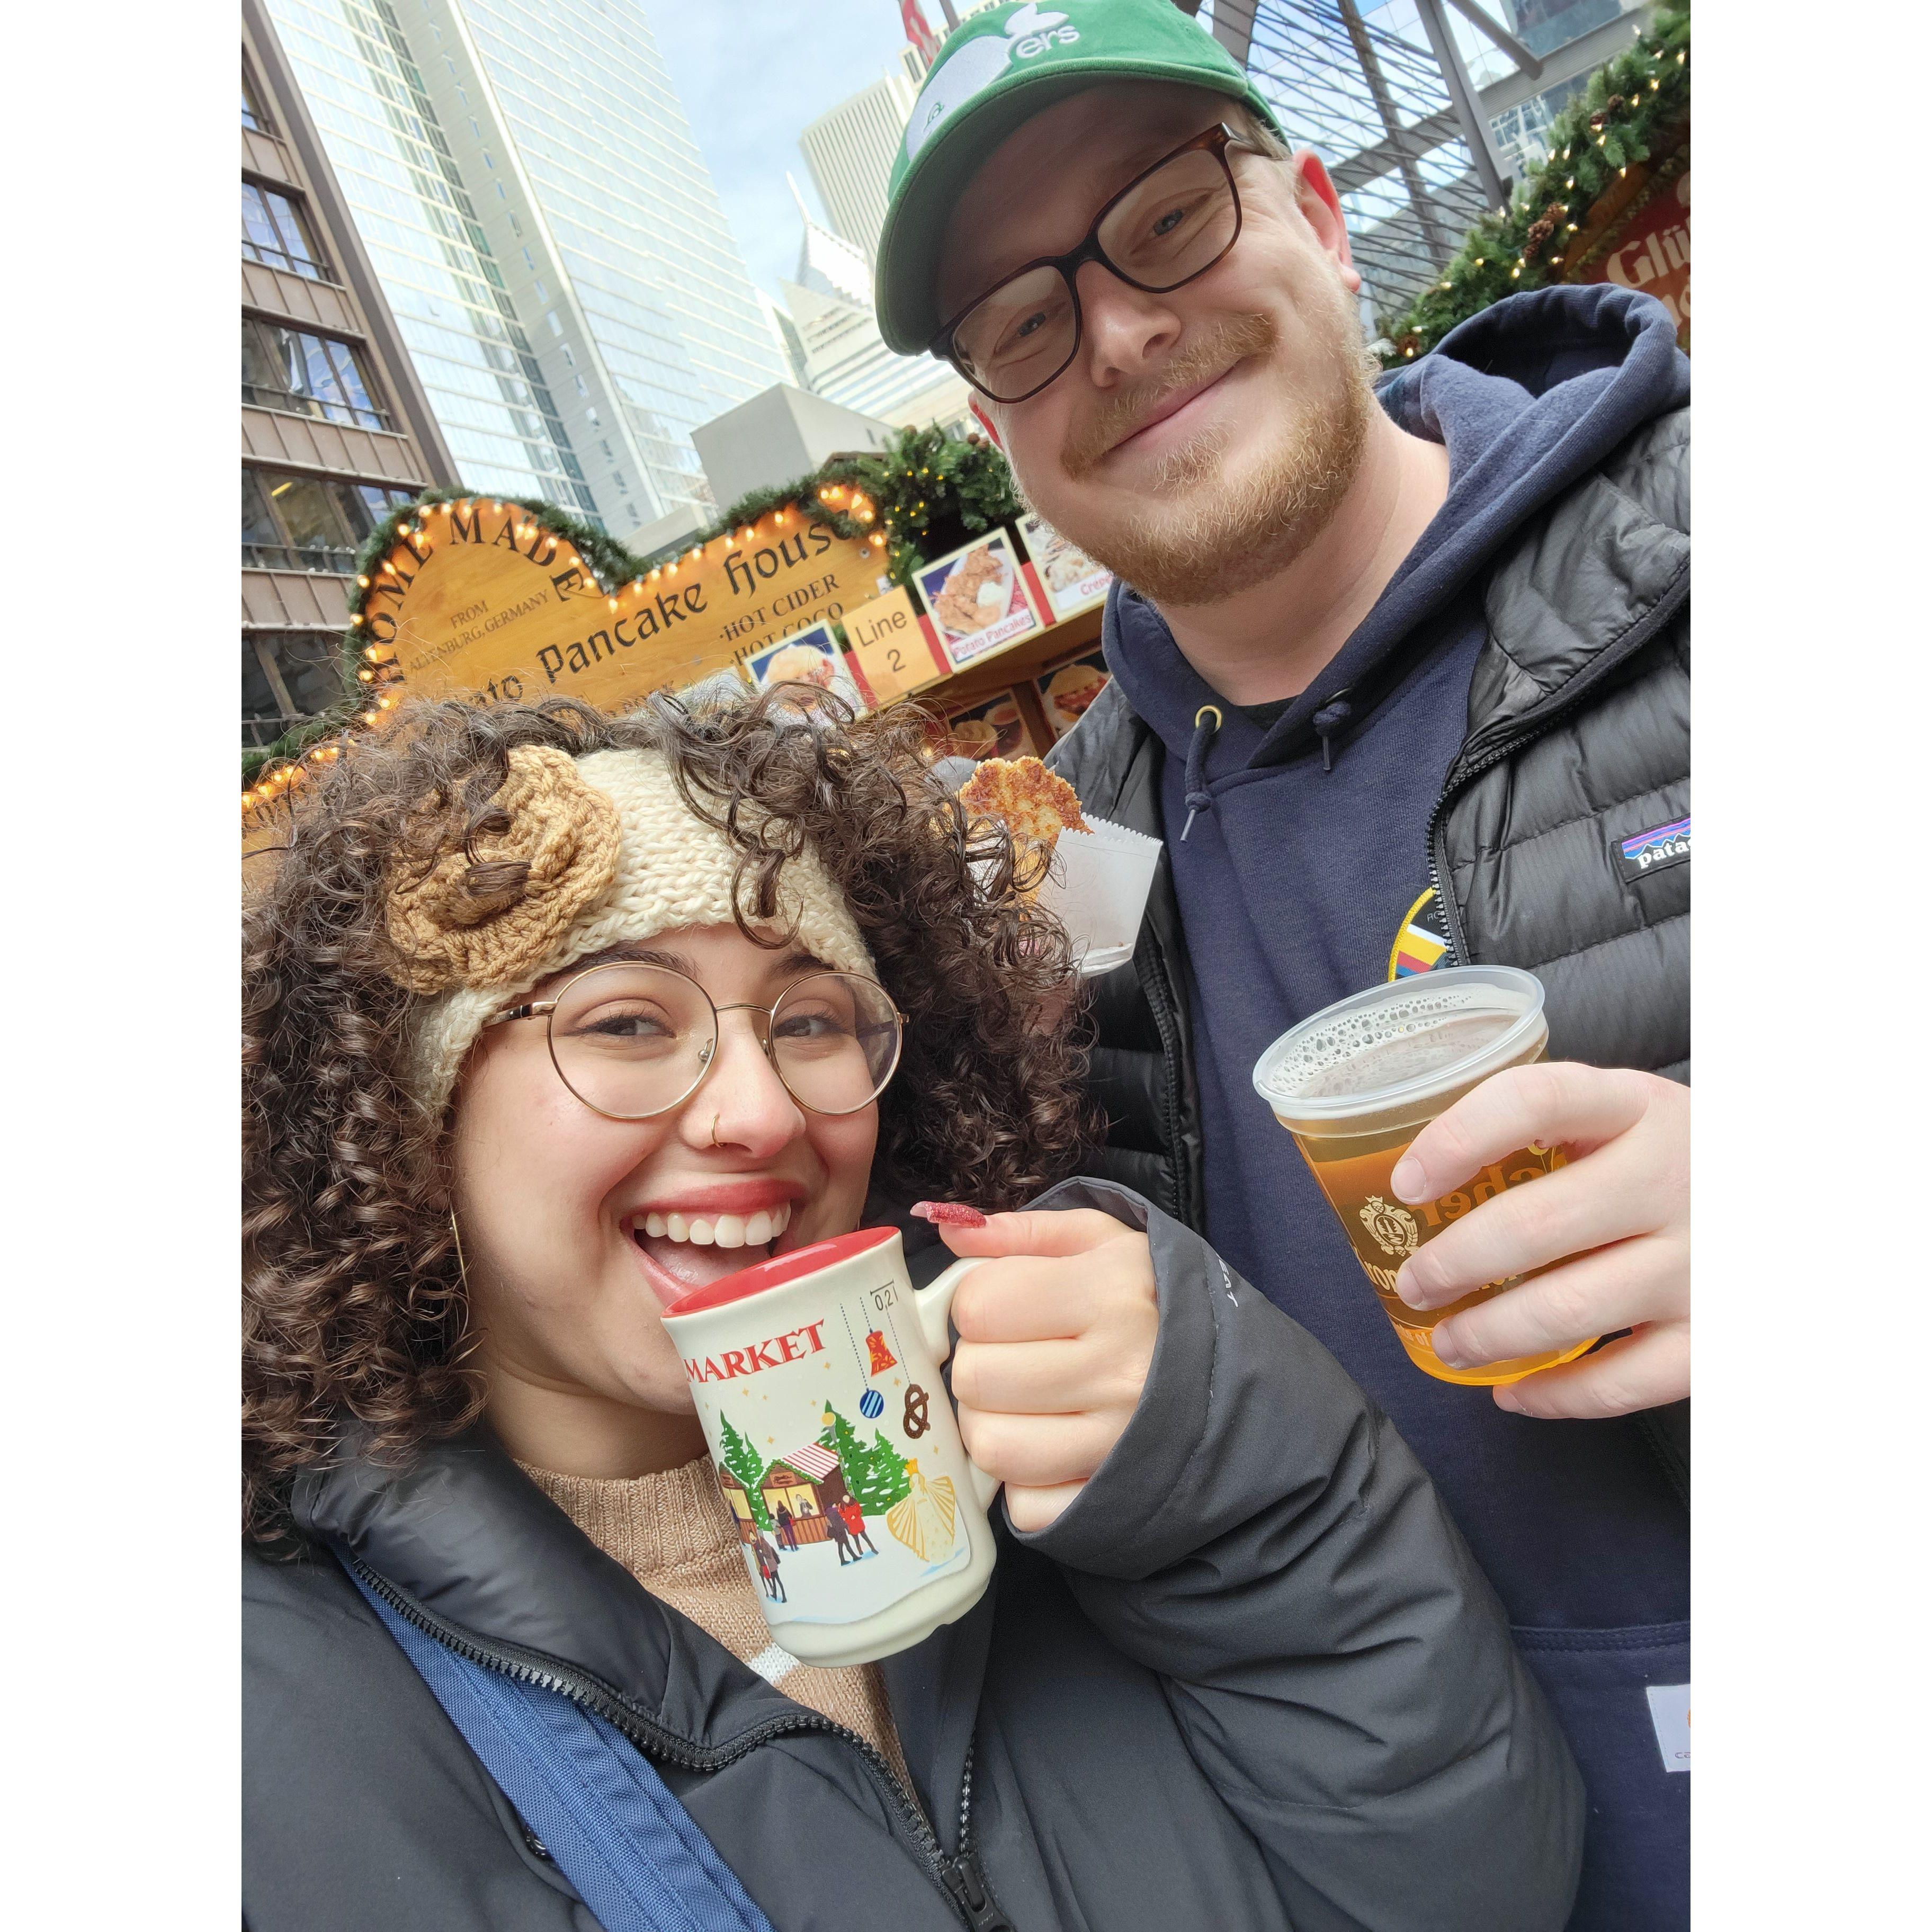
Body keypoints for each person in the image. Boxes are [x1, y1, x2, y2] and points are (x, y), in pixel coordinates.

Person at [243, 692, 1582, 1930]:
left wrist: (1227, 1466)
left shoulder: (1089, 1425)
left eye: (813, 1020)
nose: (762, 1111)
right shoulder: (267, 1722)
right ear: (408, 1120)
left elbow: (1472, 1886)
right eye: (627, 1025)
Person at [872, 6, 1688, 1926]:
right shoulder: (1041, 874)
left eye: (1164, 219)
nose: (1117, 334)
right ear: (996, 420)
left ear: (1315, 213)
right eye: (1018, 323)